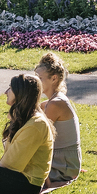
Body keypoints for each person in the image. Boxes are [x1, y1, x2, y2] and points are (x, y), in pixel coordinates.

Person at [34, 53, 81, 186]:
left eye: (40, 78)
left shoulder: (55, 103)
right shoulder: (52, 101)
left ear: (54, 79)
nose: (36, 82)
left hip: (63, 167)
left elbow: (39, 136)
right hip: (62, 160)